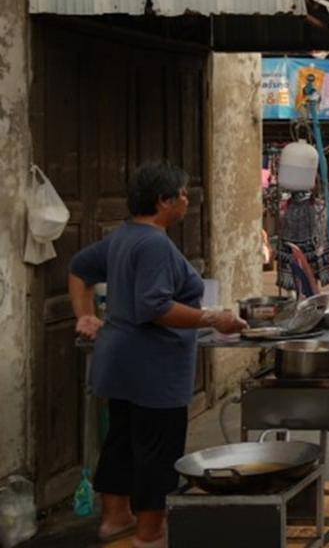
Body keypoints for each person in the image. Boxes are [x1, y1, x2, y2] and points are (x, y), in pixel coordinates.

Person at [69, 161, 248, 548]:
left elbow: (79, 267)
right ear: (163, 201)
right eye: (182, 194)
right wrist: (212, 318)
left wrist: (85, 314)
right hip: (153, 367)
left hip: (119, 362)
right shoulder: (152, 243)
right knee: (157, 450)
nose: (186, 200)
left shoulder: (125, 235)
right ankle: (150, 533)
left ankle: (115, 519)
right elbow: (156, 307)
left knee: (121, 440)